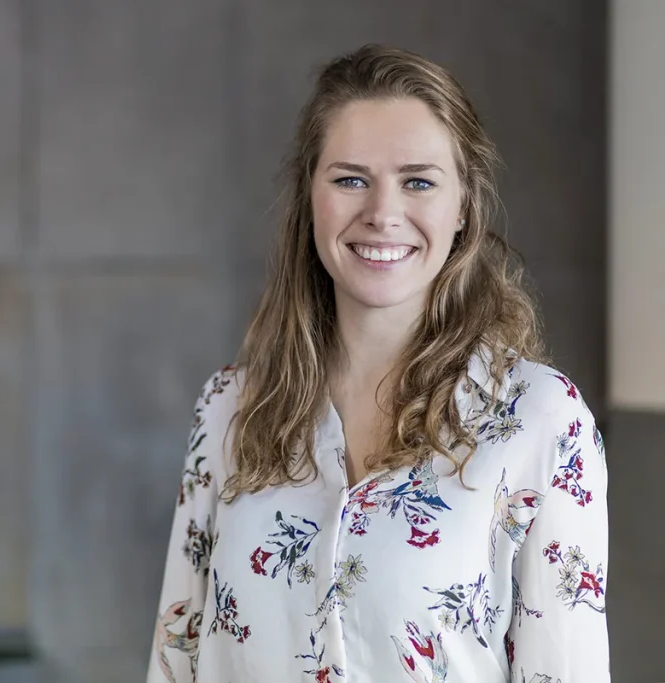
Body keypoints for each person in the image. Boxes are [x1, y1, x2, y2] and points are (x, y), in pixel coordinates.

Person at [146, 44, 610, 683]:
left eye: (418, 181)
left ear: (464, 205)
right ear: (310, 196)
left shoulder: (542, 420)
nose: (383, 214)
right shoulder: (229, 409)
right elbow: (177, 661)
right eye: (350, 179)